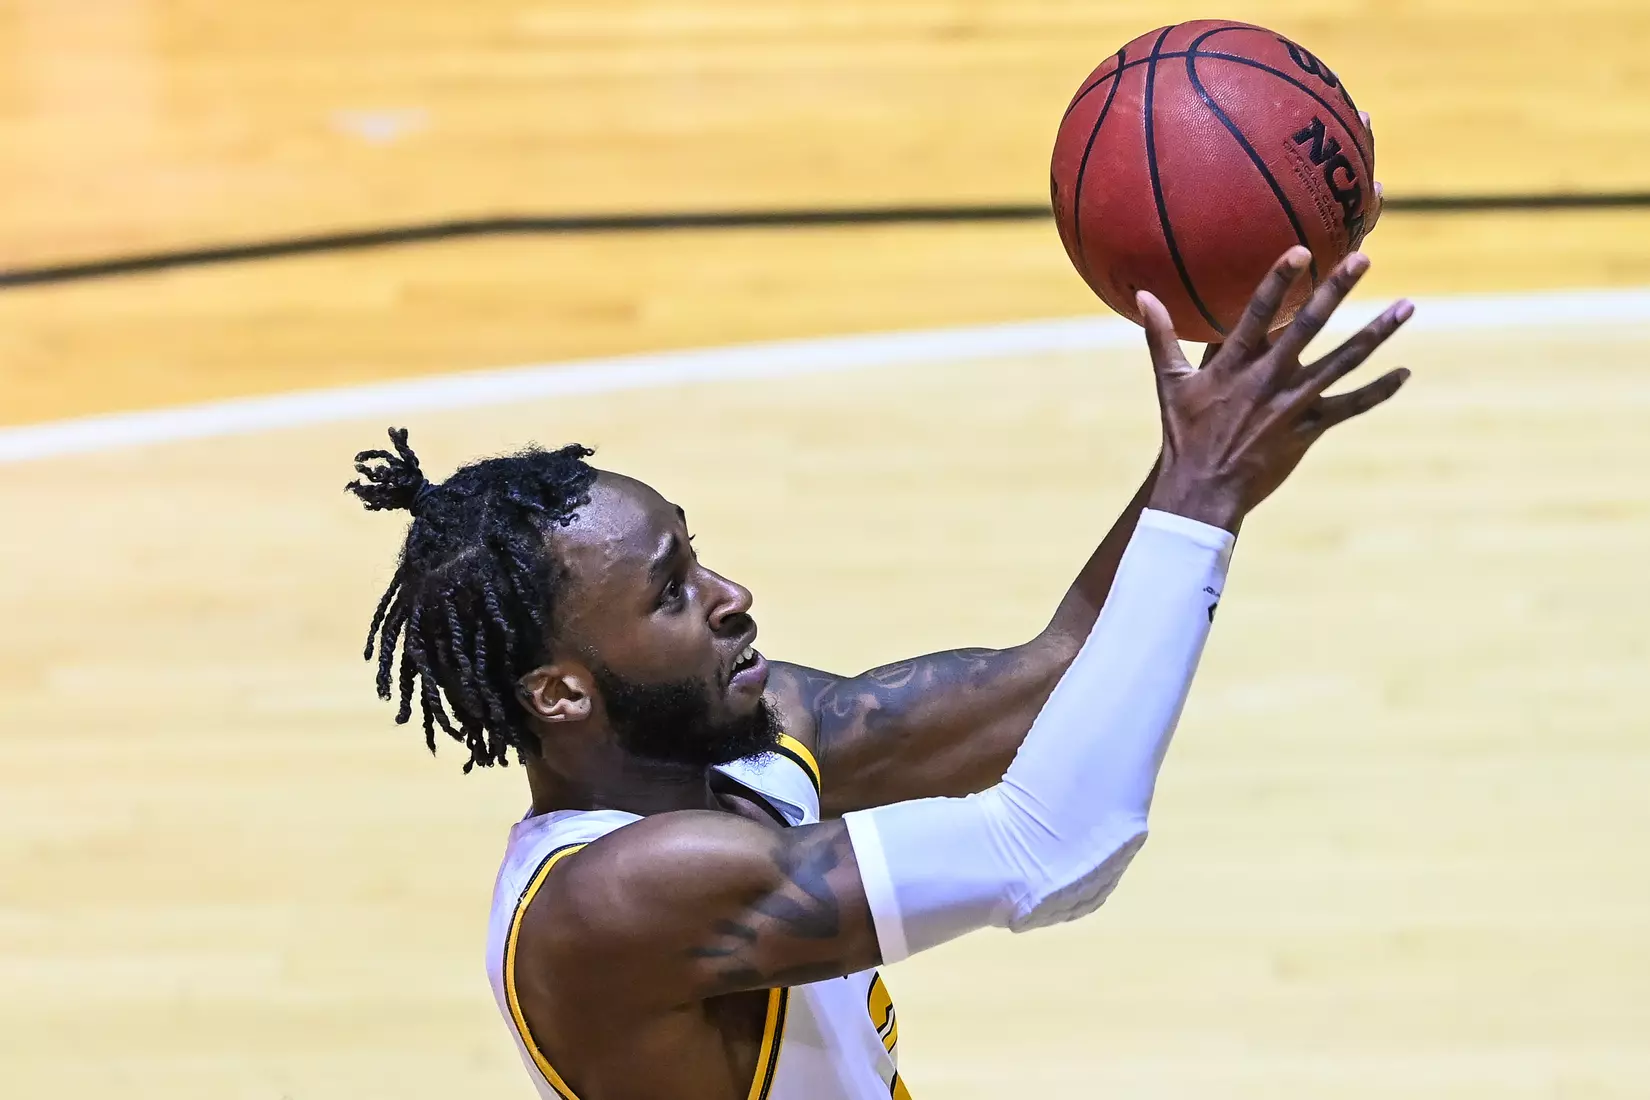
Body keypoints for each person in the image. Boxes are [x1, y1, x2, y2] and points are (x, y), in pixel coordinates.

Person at [346, 247, 1412, 1100]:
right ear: (562, 690)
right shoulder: (619, 896)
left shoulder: (750, 734)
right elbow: (1055, 849)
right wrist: (1199, 504)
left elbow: (1051, 681)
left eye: (697, 550)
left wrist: (1208, 461)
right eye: (672, 592)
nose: (731, 592)